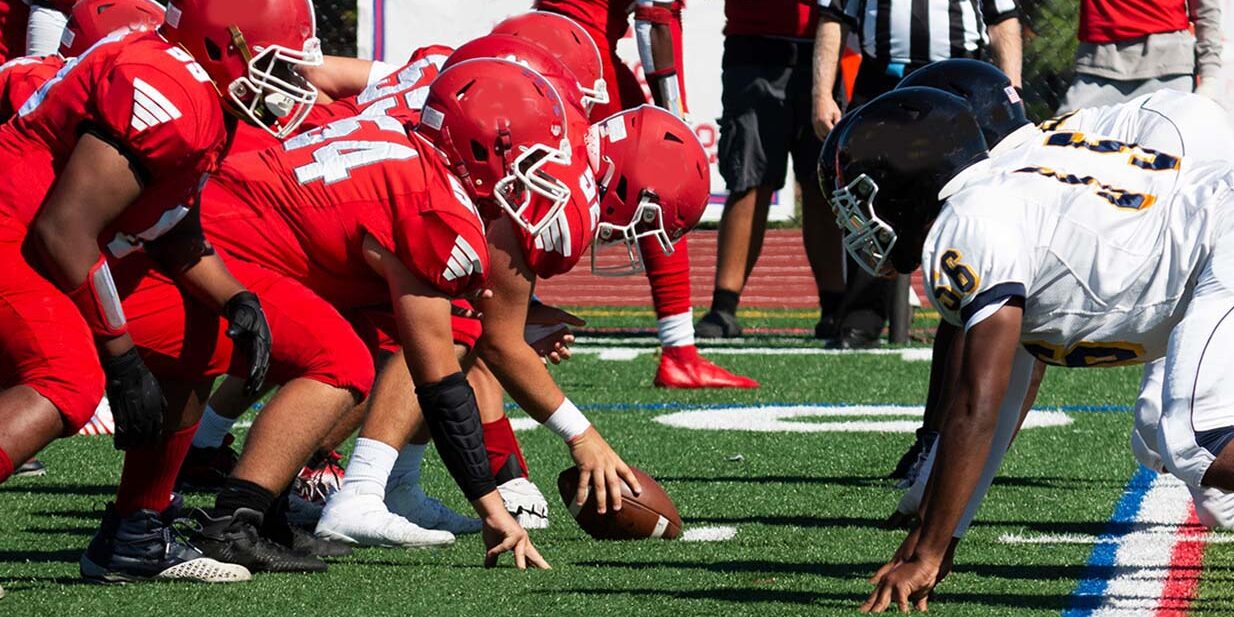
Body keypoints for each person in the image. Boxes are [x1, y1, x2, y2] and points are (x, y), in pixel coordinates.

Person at [823, 86, 1234, 612]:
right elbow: (1009, 393)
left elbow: (979, 406)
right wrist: (939, 538)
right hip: (1214, 236)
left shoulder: (968, 222)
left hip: (1219, 242)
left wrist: (927, 551)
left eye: (863, 197)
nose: (857, 220)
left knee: (1194, 436)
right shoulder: (1005, 190)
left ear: (905, 182)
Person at [0, 0, 333, 583]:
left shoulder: (197, 91)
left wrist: (236, 299)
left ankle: (135, 535)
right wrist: (122, 358)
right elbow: (64, 229)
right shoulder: (167, 90)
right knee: (68, 380)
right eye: (278, 65)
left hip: (45, 239)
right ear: (220, 44)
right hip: (19, 231)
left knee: (198, 335)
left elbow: (170, 226)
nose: (289, 84)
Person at [521, 5, 758, 389]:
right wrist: (673, 110)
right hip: (578, 50)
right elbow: (655, 19)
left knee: (515, 184)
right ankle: (680, 353)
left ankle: (490, 312)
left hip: (528, 37)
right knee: (658, 178)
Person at [811, 0, 1021, 352]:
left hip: (959, 84)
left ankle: (973, 303)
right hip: (882, 80)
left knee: (970, 194)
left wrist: (1008, 89)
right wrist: (821, 93)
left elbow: (1003, 19)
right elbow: (834, 17)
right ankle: (863, 317)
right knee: (869, 198)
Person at [694, 0, 845, 352]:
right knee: (748, 181)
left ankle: (834, 303)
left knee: (821, 184)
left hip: (828, 39)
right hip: (754, 45)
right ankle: (724, 304)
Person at [1057, 0, 1223, 113]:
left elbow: (1206, 11)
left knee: (1170, 159)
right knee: (1057, 152)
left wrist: (1210, 77)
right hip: (1097, 69)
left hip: (1168, 71)